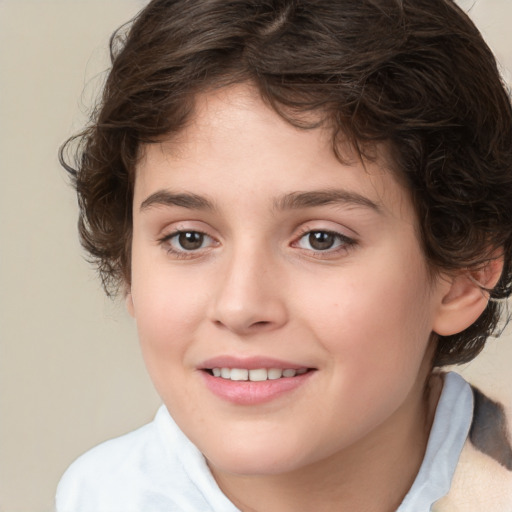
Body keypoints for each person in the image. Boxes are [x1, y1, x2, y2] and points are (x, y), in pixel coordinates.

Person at [55, 0, 512, 510]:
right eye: (189, 238)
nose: (240, 306)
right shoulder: (100, 496)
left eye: (322, 239)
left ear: (465, 273)